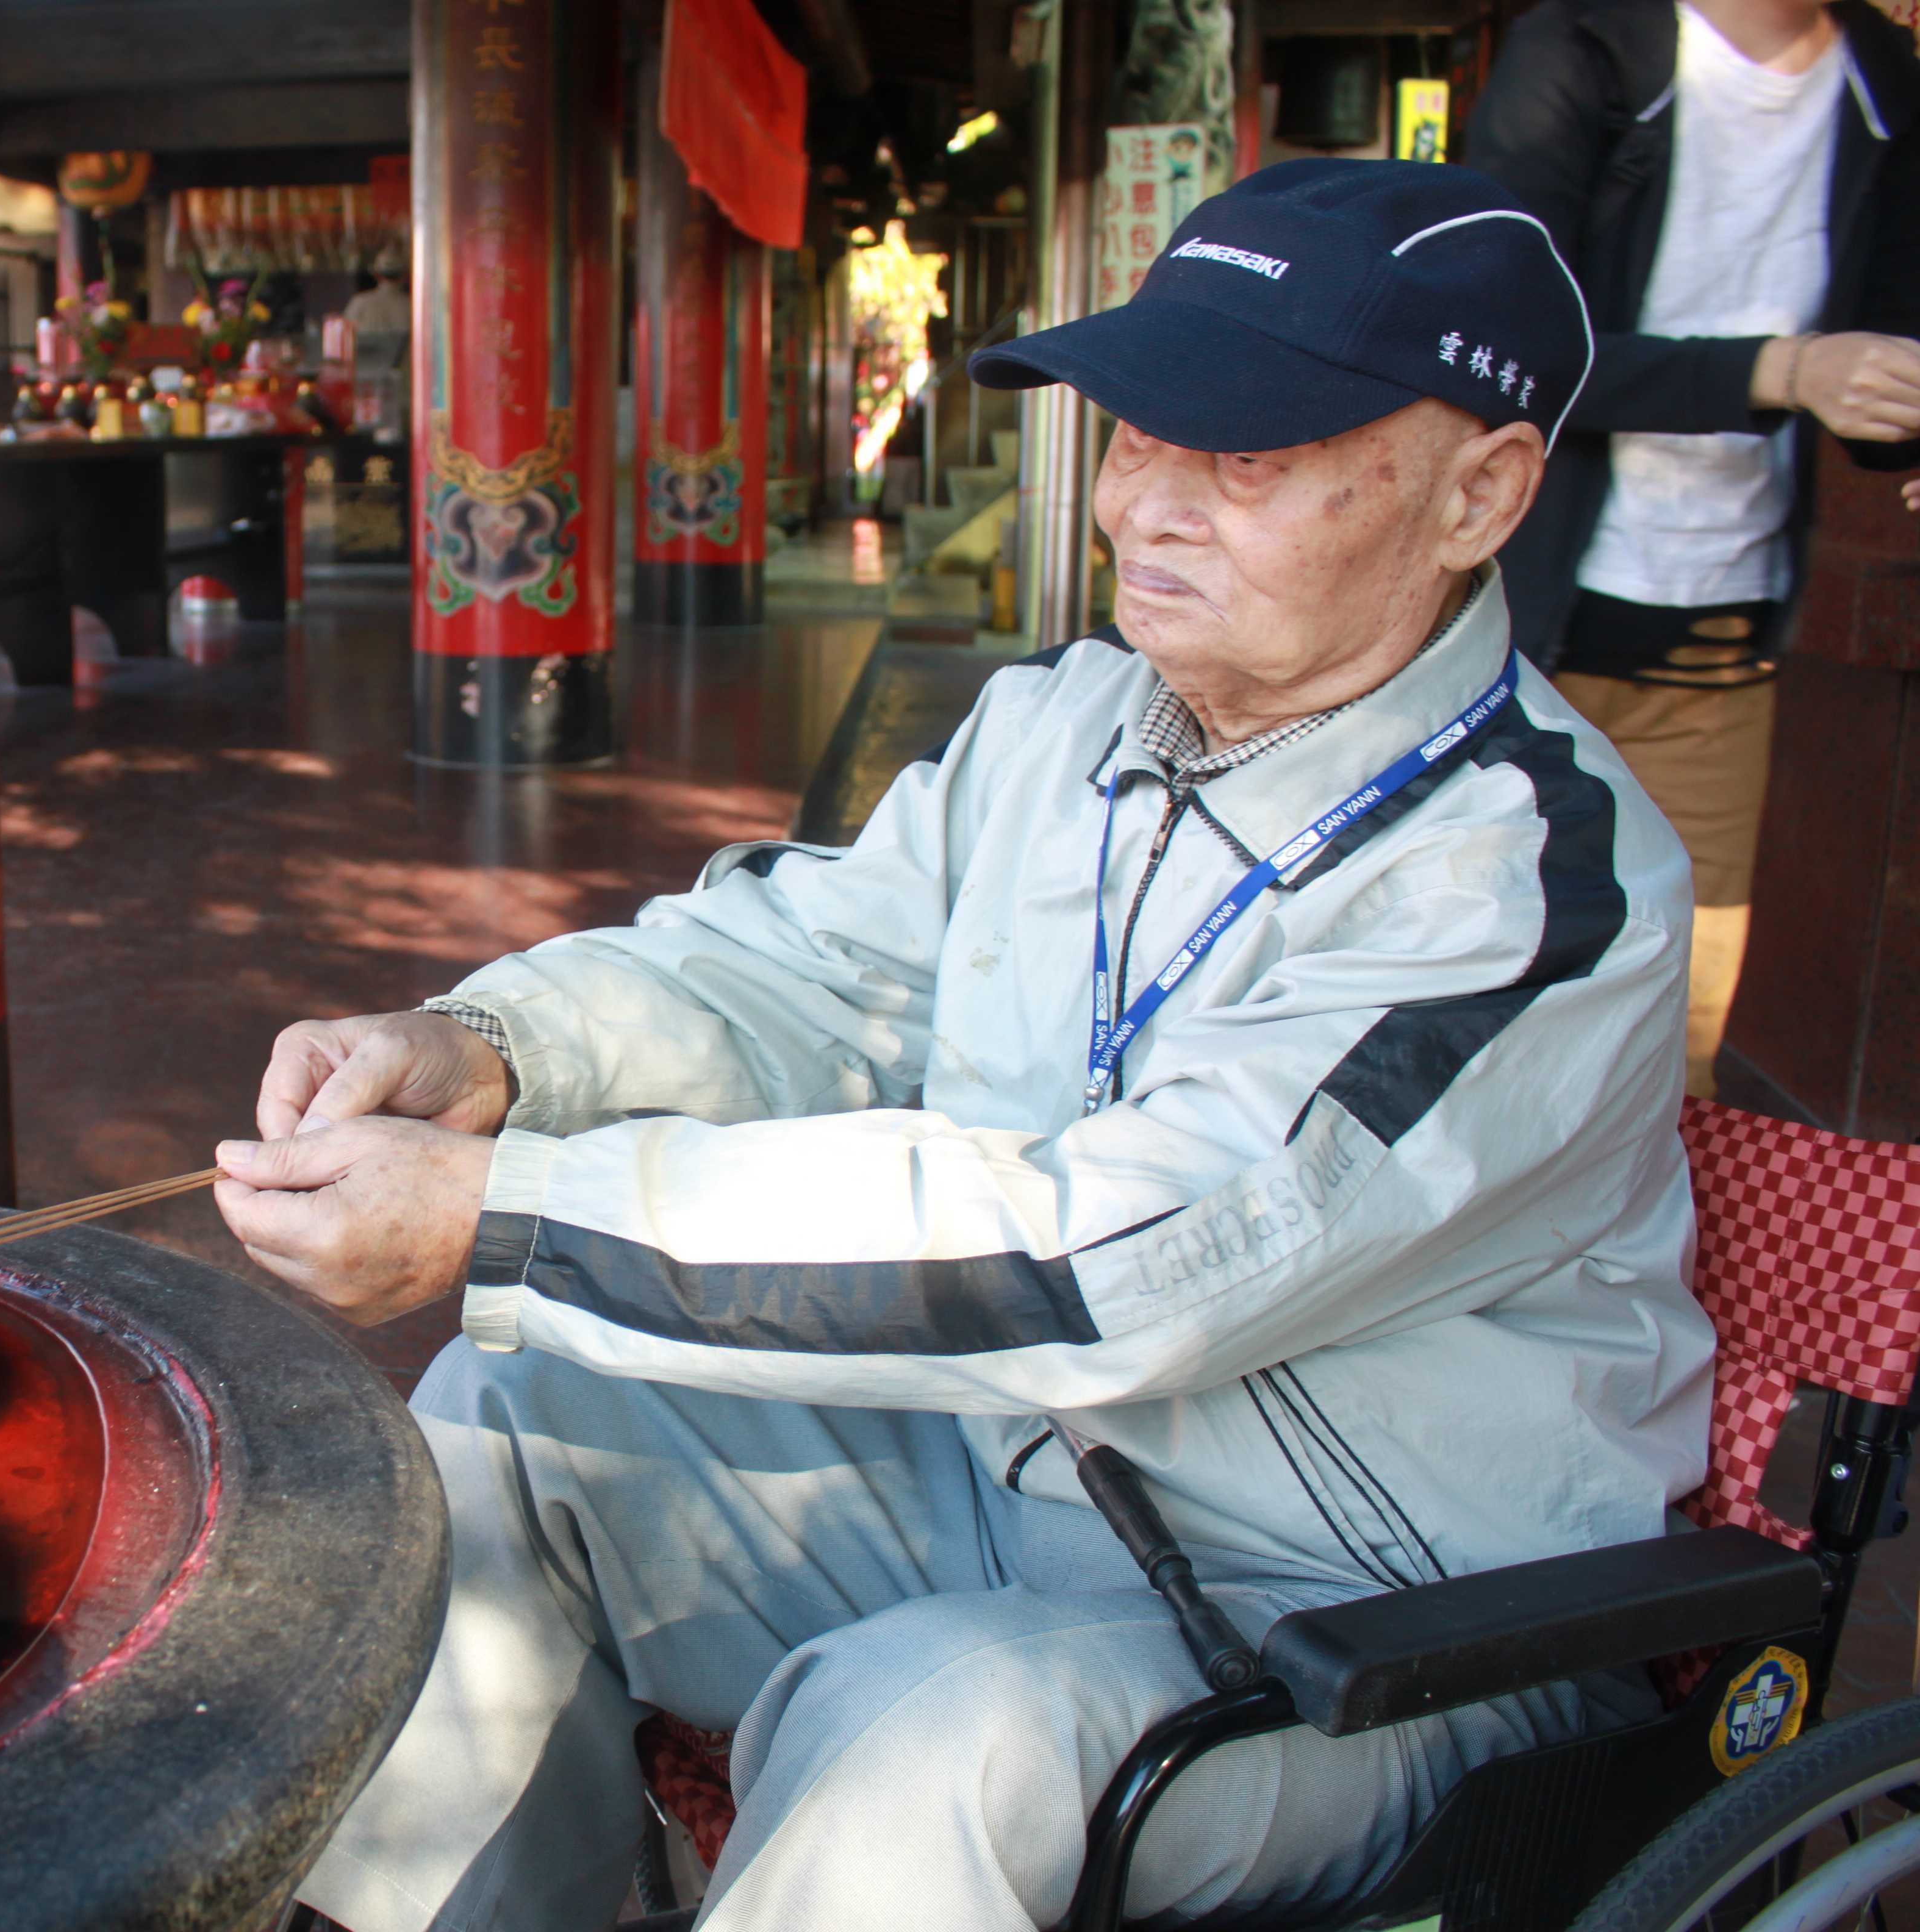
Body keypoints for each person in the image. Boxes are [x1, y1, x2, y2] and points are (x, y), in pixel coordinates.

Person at [218, 160, 1711, 1932]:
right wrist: (489, 1045)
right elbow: (808, 963)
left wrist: (512, 1216)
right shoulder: (1066, 722)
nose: (1144, 506)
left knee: (925, 1733)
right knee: (491, 1427)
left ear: (1484, 492)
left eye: (1243, 458)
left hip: (1375, 1618)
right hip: (1016, 1471)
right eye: (1138, 434)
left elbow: (1130, 1255)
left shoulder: (1530, 885)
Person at [1465, 0, 1920, 1098]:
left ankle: (1643, 1269)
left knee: (1688, 1016)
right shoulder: (1583, 48)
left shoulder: (1885, 71)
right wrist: (1780, 372)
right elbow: (1499, 345)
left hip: (1727, 631)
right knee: (1475, 982)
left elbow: (1894, 337)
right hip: (1512, 623)